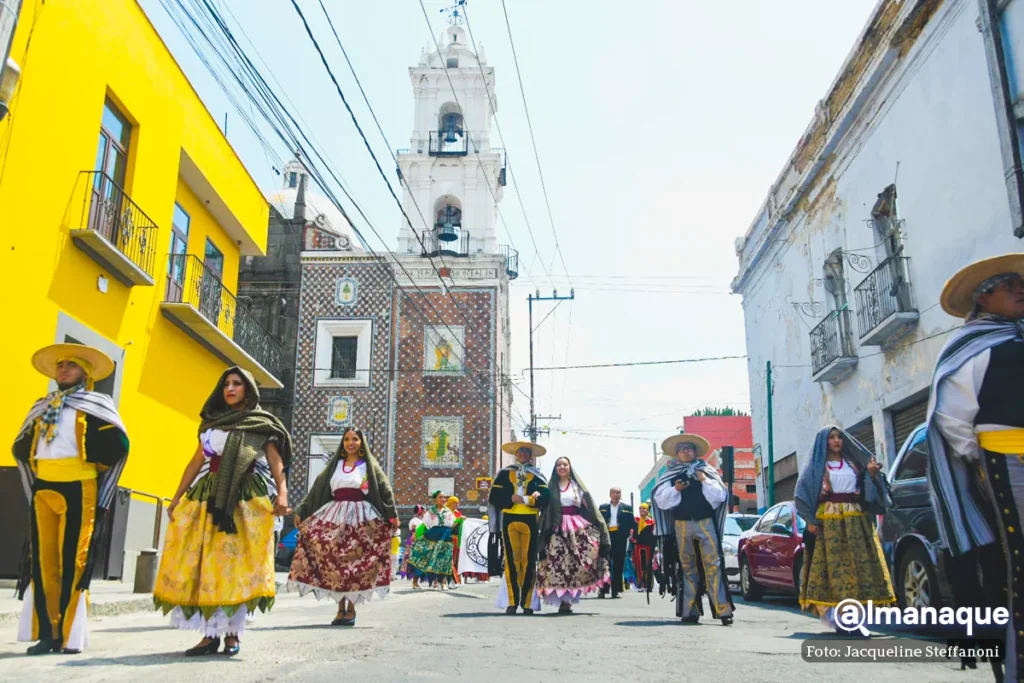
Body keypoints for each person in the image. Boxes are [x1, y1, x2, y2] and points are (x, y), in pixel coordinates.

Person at [927, 255, 1024, 680]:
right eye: (1010, 285)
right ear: (984, 298)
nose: (1021, 290)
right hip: (1009, 459)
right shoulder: (971, 346)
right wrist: (983, 459)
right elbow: (951, 418)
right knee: (1018, 562)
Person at [153, 366, 291, 656]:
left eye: (237, 383)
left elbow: (275, 461)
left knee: (236, 564)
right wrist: (177, 497)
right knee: (207, 562)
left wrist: (282, 492)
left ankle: (232, 633)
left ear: (248, 390)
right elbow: (194, 464)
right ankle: (209, 634)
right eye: (226, 383)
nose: (230, 388)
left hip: (244, 499)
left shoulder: (258, 424)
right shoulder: (210, 426)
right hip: (209, 496)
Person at [13, 343, 129, 655]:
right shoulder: (42, 405)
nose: (63, 369)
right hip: (44, 487)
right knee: (43, 560)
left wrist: (92, 464)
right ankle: (47, 633)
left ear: (85, 373)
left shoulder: (97, 404)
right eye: (60, 365)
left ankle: (69, 634)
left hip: (79, 485)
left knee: (74, 561)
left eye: (71, 365)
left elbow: (119, 443)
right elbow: (22, 442)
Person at [286, 426, 398, 626]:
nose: (351, 443)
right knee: (335, 561)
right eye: (347, 439)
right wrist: (302, 511)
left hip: (362, 519)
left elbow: (384, 489)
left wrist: (392, 515)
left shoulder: (368, 466)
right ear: (343, 443)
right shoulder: (334, 465)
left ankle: (352, 609)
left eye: (355, 439)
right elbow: (317, 488)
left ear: (361, 443)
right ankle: (339, 608)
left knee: (354, 565)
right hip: (334, 516)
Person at [795, 426, 894, 634]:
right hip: (829, 524)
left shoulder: (853, 465)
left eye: (839, 437)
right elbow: (802, 493)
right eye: (831, 437)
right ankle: (840, 619)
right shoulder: (816, 468)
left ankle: (856, 619)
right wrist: (810, 521)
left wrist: (871, 474)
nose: (837, 440)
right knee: (836, 570)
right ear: (824, 442)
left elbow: (867, 495)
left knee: (858, 567)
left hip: (856, 521)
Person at [651, 434, 734, 625]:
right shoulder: (670, 474)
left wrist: (704, 480)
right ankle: (690, 611)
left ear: (695, 452)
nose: (685, 452)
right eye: (681, 449)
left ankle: (723, 610)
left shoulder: (707, 470)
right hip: (681, 524)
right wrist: (676, 490)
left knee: (714, 564)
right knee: (687, 567)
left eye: (689, 448)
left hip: (705, 522)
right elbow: (661, 501)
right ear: (677, 454)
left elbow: (720, 496)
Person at [536, 457, 611, 614]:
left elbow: (590, 508)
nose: (562, 467)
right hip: (557, 528)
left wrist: (602, 532)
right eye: (559, 465)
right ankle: (563, 600)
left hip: (577, 527)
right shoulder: (550, 487)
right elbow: (545, 507)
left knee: (577, 564)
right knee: (557, 564)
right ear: (555, 468)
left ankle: (568, 600)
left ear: (570, 467)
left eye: (565, 464)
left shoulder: (577, 487)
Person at [488, 441, 551, 614]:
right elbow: (494, 496)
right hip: (509, 518)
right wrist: (511, 498)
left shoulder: (538, 476)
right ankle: (512, 601)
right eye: (520, 451)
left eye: (526, 451)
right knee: (511, 560)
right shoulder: (504, 473)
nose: (523, 454)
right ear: (515, 453)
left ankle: (528, 603)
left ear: (531, 456)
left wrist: (531, 500)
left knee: (529, 561)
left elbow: (546, 497)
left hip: (530, 519)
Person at [408, 491, 457, 589]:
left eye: (444, 497)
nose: (443, 499)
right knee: (424, 557)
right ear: (435, 499)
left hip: (446, 537)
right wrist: (415, 535)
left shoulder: (448, 512)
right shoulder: (430, 512)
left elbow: (452, 524)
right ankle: (415, 582)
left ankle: (443, 583)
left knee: (445, 559)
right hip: (433, 537)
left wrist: (460, 520)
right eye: (440, 497)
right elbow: (424, 525)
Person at [599, 487, 636, 598]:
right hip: (607, 537)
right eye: (614, 492)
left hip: (620, 538)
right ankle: (603, 589)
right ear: (610, 494)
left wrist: (633, 535)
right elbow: (598, 521)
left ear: (621, 495)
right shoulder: (603, 508)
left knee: (619, 563)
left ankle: (616, 589)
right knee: (605, 563)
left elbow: (632, 523)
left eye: (618, 493)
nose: (616, 494)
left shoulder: (627, 508)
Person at [632, 502, 656, 592]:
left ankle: (648, 585)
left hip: (648, 546)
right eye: (640, 508)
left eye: (644, 508)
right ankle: (640, 584)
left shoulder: (651, 522)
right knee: (639, 565)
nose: (642, 510)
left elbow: (653, 535)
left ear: (647, 510)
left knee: (648, 565)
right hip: (638, 545)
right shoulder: (636, 520)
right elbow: (632, 532)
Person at [400, 505, 426, 588]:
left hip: (419, 542)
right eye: (424, 511)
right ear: (420, 511)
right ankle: (415, 582)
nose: (425, 513)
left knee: (418, 563)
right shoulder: (415, 521)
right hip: (415, 543)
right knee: (416, 563)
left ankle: (416, 582)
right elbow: (413, 531)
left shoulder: (419, 520)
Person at [446, 495, 465, 588]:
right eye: (455, 503)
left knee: (457, 559)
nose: (457, 504)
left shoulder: (458, 513)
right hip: (449, 538)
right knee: (450, 559)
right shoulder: (446, 513)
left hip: (458, 539)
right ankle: (450, 580)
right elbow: (449, 526)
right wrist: (458, 520)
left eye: (458, 503)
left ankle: (457, 579)